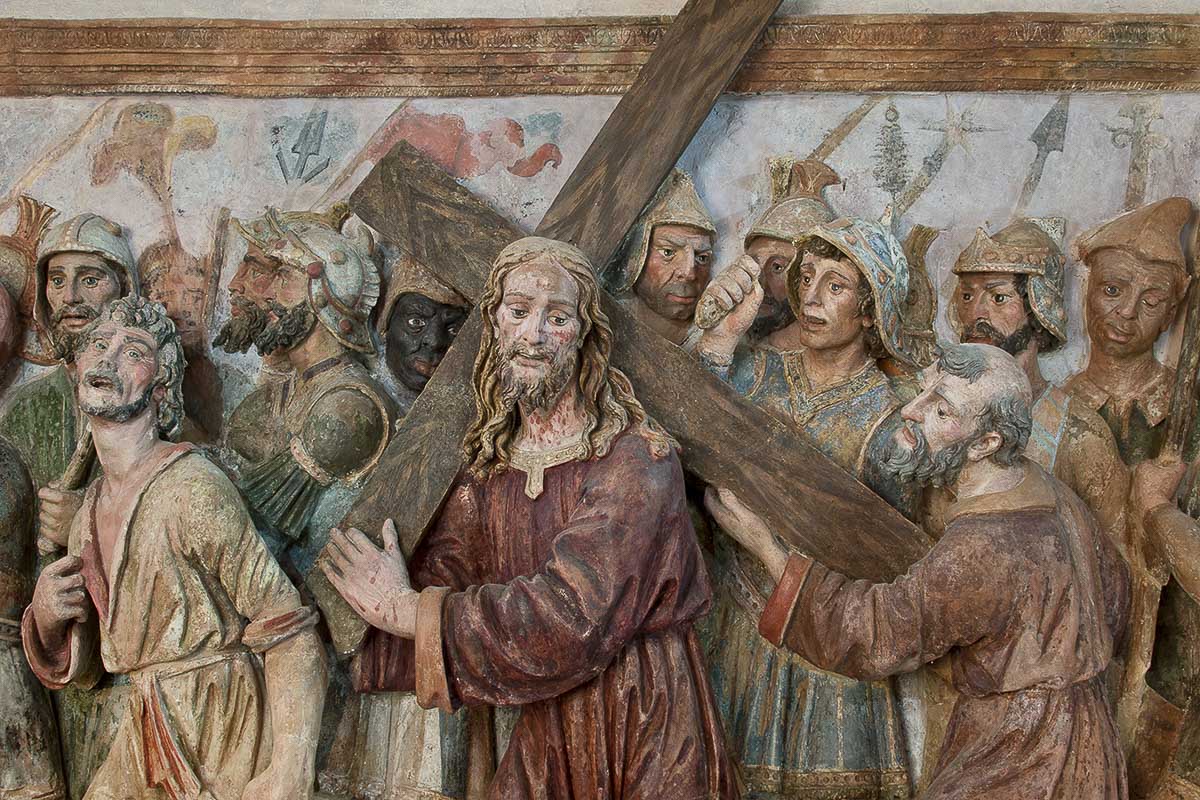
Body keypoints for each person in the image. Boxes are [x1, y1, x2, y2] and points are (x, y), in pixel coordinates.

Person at [323, 236, 736, 799]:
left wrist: (405, 611)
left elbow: (572, 617)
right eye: (518, 311)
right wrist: (348, 630)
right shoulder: (489, 466)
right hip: (539, 726)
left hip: (636, 720)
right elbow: (451, 573)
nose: (534, 335)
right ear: (494, 324)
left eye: (557, 317)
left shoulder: (637, 461)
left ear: (585, 333)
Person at [708, 343, 1131, 800]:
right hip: (1090, 743)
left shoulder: (981, 547)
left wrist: (766, 548)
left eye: (942, 410)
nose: (911, 411)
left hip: (1021, 756)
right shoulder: (1053, 493)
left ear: (985, 444)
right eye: (924, 389)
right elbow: (1116, 598)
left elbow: (872, 634)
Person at [22, 296, 327, 800]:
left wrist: (290, 768)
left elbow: (286, 627)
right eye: (98, 345)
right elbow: (95, 668)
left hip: (217, 723)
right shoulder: (89, 511)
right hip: (144, 729)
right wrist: (50, 619)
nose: (107, 358)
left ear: (161, 389)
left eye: (132, 352)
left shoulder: (192, 489)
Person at [695, 215, 935, 798]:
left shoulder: (894, 417)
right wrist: (719, 341)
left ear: (871, 311)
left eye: (836, 285)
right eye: (807, 278)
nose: (810, 297)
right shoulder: (757, 371)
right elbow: (686, 433)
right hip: (735, 627)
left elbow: (891, 566)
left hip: (828, 656)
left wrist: (769, 544)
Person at [604, 169, 716, 350]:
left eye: (702, 258)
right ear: (637, 253)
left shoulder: (710, 338)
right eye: (668, 252)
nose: (689, 273)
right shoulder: (605, 320)